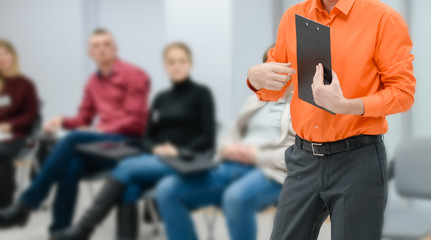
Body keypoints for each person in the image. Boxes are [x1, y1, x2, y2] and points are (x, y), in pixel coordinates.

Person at [247, 0, 416, 239]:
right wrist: (254, 78)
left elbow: (403, 94)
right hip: (303, 159)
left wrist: (347, 106)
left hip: (358, 161)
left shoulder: (383, 18)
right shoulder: (293, 16)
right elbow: (275, 87)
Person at [51, 42, 216, 240]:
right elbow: (146, 138)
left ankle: (83, 229)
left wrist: (177, 151)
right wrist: (155, 148)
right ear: (164, 66)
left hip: (186, 160)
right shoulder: (161, 98)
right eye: (171, 62)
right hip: (157, 159)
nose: (176, 66)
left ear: (191, 64)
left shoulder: (202, 93)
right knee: (128, 188)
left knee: (126, 167)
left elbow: (208, 138)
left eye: (181, 61)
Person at [0, 29, 150, 235]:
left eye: (106, 44)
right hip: (104, 146)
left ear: (115, 49)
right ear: (90, 52)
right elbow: (84, 118)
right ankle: (60, 231)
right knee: (71, 165)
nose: (102, 49)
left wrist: (102, 130)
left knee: (73, 140)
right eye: (96, 46)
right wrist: (61, 120)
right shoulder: (93, 81)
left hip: (129, 144)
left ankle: (26, 203)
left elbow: (137, 121)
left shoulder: (134, 74)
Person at [154, 45, 294, 240]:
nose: (271, 73)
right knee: (167, 189)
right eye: (268, 66)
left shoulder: (301, 106)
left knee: (234, 198)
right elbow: (231, 134)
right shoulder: (255, 100)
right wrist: (227, 148)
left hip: (271, 173)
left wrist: (255, 155)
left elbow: (297, 155)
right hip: (232, 165)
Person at [0, 40, 39, 208]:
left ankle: (4, 204)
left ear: (13, 56)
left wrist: (11, 125)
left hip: (16, 136)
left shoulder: (26, 84)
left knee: (0, 153)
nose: (2, 58)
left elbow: (31, 116)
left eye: (5, 54)